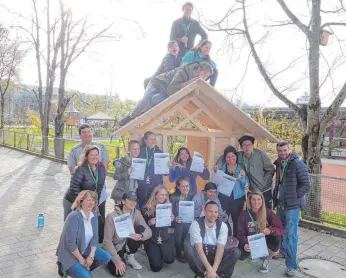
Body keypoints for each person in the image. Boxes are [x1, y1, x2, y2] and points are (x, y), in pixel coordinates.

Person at [118, 62, 213, 126]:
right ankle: (129, 117)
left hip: (164, 90)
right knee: (145, 101)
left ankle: (140, 116)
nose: (205, 77)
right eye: (204, 73)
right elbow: (171, 89)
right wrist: (189, 82)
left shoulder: (197, 80)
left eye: (207, 76)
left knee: (157, 101)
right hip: (157, 82)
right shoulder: (183, 71)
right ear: (199, 70)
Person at [273, 141, 310, 277]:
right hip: (281, 204)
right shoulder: (278, 164)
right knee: (281, 231)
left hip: (292, 207)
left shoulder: (298, 164)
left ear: (289, 150)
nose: (282, 153)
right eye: (279, 150)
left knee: (291, 235)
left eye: (284, 150)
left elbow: (306, 184)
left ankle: (291, 266)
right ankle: (282, 252)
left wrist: (295, 197)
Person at [56, 190, 111, 278]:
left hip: (84, 248)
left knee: (106, 257)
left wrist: (91, 257)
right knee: (87, 276)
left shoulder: (93, 215)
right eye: (88, 200)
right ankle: (64, 266)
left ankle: (83, 270)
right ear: (81, 202)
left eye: (93, 200)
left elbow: (95, 237)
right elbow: (71, 244)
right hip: (69, 252)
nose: (91, 202)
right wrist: (82, 260)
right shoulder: (74, 217)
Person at [185, 200, 241, 278]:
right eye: (210, 211)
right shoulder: (196, 224)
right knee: (189, 249)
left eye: (215, 212)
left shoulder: (223, 226)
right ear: (204, 211)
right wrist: (209, 269)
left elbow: (220, 249)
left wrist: (213, 270)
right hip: (202, 255)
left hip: (216, 254)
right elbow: (199, 249)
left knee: (236, 252)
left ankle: (210, 275)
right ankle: (206, 273)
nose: (213, 215)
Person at [63, 145, 106, 242]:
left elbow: (99, 187)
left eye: (96, 155)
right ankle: (68, 247)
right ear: (87, 156)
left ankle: (93, 246)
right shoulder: (81, 168)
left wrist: (96, 203)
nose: (94, 157)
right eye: (92, 155)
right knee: (72, 226)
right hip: (73, 200)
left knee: (99, 223)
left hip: (88, 200)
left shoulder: (101, 167)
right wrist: (82, 204)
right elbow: (74, 188)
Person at [103, 192, 152, 277]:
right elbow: (107, 242)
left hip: (129, 242)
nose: (133, 202)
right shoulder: (111, 216)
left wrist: (141, 236)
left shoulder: (136, 213)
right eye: (130, 200)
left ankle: (130, 257)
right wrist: (116, 260)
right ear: (123, 201)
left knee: (141, 229)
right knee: (119, 273)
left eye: (135, 200)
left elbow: (148, 231)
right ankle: (109, 258)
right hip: (117, 245)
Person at [237, 190, 284, 274]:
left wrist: (270, 230)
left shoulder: (268, 212)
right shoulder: (244, 215)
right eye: (253, 199)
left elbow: (280, 229)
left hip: (266, 241)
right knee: (240, 256)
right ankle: (254, 254)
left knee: (277, 237)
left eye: (259, 199)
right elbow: (240, 234)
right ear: (250, 201)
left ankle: (266, 259)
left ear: (262, 200)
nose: (256, 202)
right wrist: (245, 244)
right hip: (251, 242)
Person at [214, 146, 248, 236]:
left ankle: (237, 241)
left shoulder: (241, 169)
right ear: (225, 158)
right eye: (228, 157)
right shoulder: (221, 169)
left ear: (236, 157)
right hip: (224, 199)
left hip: (237, 199)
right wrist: (215, 173)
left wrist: (242, 178)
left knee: (237, 221)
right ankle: (225, 240)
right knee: (222, 220)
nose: (231, 159)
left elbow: (246, 185)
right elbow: (216, 184)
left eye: (233, 156)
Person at [130, 131, 167, 209]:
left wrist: (168, 166)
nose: (153, 141)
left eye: (154, 139)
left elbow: (166, 173)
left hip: (155, 187)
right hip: (141, 186)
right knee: (142, 208)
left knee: (153, 209)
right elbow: (129, 159)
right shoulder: (140, 151)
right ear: (145, 140)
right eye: (151, 139)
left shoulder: (160, 153)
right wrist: (116, 163)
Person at [142, 185, 175, 272]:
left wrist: (172, 219)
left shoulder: (168, 206)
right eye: (161, 194)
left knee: (170, 260)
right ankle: (154, 253)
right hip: (151, 239)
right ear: (155, 195)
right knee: (156, 268)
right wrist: (149, 223)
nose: (163, 197)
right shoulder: (147, 208)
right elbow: (140, 226)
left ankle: (162, 253)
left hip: (164, 237)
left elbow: (171, 227)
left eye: (165, 195)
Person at [237, 135, 275, 209]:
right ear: (241, 147)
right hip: (251, 191)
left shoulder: (260, 154)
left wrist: (263, 182)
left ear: (253, 145)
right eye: (244, 145)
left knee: (266, 213)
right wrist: (217, 165)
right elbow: (227, 155)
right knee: (252, 212)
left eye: (249, 145)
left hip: (264, 190)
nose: (247, 147)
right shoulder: (240, 156)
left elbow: (270, 169)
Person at [170, 177, 194, 263]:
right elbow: (169, 213)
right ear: (178, 187)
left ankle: (184, 246)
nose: (185, 188)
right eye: (183, 186)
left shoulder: (192, 196)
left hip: (188, 220)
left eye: (187, 186)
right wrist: (175, 218)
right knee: (180, 225)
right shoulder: (173, 197)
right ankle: (178, 251)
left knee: (187, 224)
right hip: (174, 221)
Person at [111, 140, 141, 205]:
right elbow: (115, 176)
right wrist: (127, 172)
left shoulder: (139, 162)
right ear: (129, 150)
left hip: (132, 194)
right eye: (134, 149)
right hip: (121, 194)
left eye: (138, 149)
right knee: (121, 214)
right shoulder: (121, 162)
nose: (136, 151)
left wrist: (136, 182)